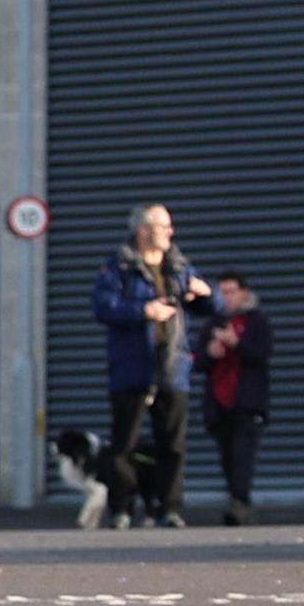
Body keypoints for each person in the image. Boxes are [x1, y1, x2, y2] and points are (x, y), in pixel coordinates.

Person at [87, 204, 208, 529]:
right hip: (131, 368)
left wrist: (206, 295)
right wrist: (144, 311)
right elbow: (103, 306)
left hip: (172, 367)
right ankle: (123, 508)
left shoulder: (179, 267)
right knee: (124, 444)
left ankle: (169, 508)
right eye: (163, 226)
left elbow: (212, 307)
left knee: (173, 444)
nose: (170, 232)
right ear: (143, 230)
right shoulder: (118, 267)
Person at [195, 272, 273, 526]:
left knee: (243, 454)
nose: (226, 297)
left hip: (247, 401)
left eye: (231, 291)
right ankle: (236, 499)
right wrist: (210, 353)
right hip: (218, 402)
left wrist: (236, 344)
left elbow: (262, 355)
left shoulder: (256, 321)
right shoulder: (213, 323)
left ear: (244, 292)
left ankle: (240, 503)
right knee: (227, 455)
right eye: (222, 292)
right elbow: (198, 361)